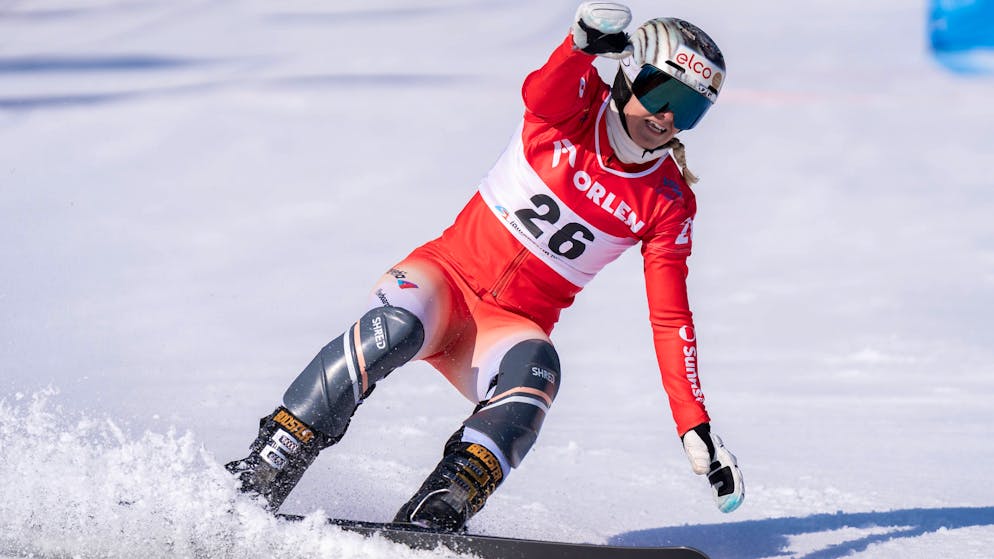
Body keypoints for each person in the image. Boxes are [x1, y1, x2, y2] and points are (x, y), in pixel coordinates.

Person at [226, 1, 745, 532]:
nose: (667, 119)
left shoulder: (667, 201)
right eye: (663, 94)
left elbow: (670, 318)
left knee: (539, 370)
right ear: (628, 76)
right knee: (394, 329)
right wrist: (579, 46)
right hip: (441, 281)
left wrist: (693, 424)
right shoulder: (574, 107)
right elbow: (539, 91)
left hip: (503, 331)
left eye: (689, 110)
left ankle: (439, 509)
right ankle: (271, 460)